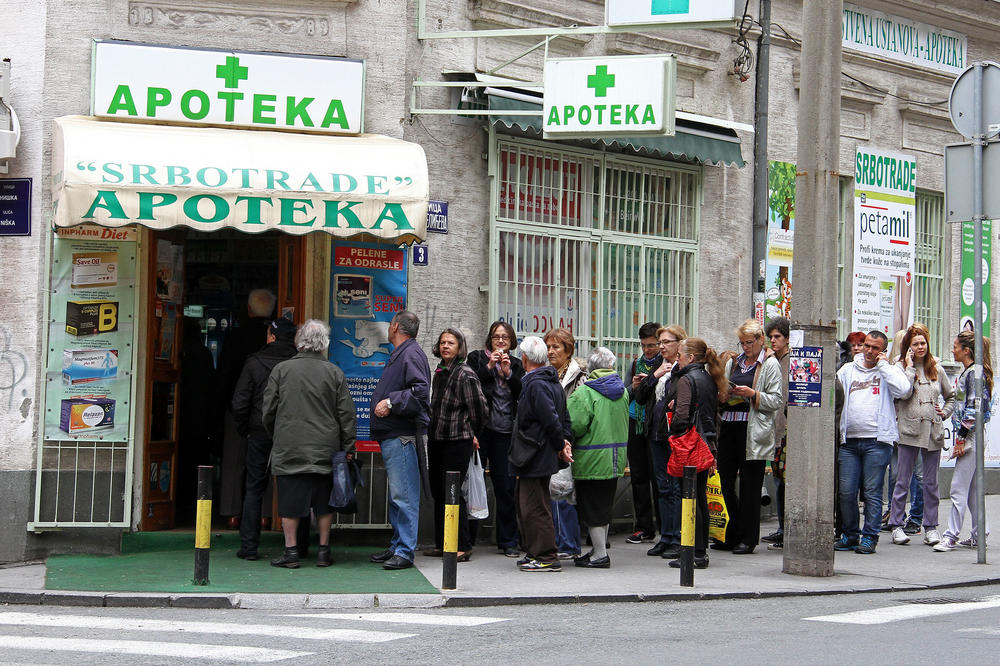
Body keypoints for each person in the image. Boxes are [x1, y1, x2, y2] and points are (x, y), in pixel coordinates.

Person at [262, 320, 357, 568]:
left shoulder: (281, 370)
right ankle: (324, 551)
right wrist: (348, 447)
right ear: (324, 343)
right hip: (325, 448)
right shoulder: (334, 373)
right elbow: (346, 415)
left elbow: (268, 411)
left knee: (289, 503)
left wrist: (278, 434)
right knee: (324, 504)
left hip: (290, 446)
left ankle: (291, 552)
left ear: (299, 341)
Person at [835, 330, 912, 554]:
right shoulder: (848, 370)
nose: (869, 351)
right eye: (867, 346)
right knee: (846, 492)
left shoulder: (889, 371)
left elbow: (904, 390)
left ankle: (870, 536)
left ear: (883, 351)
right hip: (849, 442)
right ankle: (850, 535)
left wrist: (884, 366)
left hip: (877, 442)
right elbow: (835, 393)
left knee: (872, 492)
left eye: (875, 348)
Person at [368, 311, 431, 571]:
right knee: (398, 495)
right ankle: (397, 546)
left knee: (403, 495)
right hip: (394, 434)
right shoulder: (405, 352)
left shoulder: (410, 353)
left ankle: (405, 550)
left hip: (401, 436)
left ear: (394, 327)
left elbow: (420, 392)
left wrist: (391, 402)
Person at [232, 317, 299, 560]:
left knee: (254, 488)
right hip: (290, 432)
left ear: (271, 336)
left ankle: (249, 547)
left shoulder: (254, 362)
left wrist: (245, 429)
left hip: (259, 431)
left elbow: (240, 402)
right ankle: (299, 546)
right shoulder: (298, 363)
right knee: (294, 486)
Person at [715, 319, 783, 554]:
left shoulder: (770, 364)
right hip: (729, 426)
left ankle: (748, 537)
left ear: (760, 340)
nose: (745, 347)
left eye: (749, 342)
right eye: (742, 343)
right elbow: (721, 390)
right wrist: (724, 394)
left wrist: (753, 394)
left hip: (753, 430)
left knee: (750, 486)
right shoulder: (734, 362)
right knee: (723, 481)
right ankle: (730, 532)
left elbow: (776, 400)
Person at [887, 323, 954, 548]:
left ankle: (931, 527)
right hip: (909, 430)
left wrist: (945, 412)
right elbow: (903, 393)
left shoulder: (937, 368)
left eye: (923, 343)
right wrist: (908, 368)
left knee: (931, 482)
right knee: (902, 480)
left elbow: (951, 396)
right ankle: (896, 525)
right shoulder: (900, 367)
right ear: (908, 347)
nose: (920, 347)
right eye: (915, 344)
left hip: (933, 432)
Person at [511, 336, 574, 572]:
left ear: (524, 358)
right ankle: (535, 552)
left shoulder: (536, 384)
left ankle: (546, 555)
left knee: (535, 506)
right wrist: (563, 442)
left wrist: (560, 444)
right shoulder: (549, 381)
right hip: (538, 452)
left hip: (534, 453)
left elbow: (551, 419)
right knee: (529, 504)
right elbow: (563, 417)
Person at [427, 328, 489, 561]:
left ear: (459, 347)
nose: (445, 346)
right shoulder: (439, 372)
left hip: (457, 441)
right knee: (437, 491)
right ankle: (442, 543)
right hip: (437, 439)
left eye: (450, 343)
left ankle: (462, 544)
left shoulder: (466, 374)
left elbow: (480, 410)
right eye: (443, 342)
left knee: (452, 492)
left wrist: (473, 433)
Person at [665, 337, 726, 569]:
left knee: (690, 498)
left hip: (690, 443)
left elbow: (682, 415)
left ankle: (693, 552)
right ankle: (700, 551)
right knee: (699, 496)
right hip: (706, 441)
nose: (677, 359)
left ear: (690, 357)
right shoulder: (708, 377)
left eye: (679, 355)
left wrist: (673, 429)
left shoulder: (687, 379)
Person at [219, 288, 277, 528]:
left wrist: (226, 405)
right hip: (270, 412)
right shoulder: (276, 339)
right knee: (269, 462)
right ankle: (266, 514)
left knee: (234, 461)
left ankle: (232, 513)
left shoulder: (235, 336)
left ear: (249, 309)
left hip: (237, 407)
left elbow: (224, 374)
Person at [466, 321, 524, 557]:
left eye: (505, 337)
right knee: (473, 484)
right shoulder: (476, 358)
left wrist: (508, 374)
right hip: (481, 432)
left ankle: (508, 541)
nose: (500, 341)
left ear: (511, 342)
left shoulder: (517, 364)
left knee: (506, 487)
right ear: (490, 340)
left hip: (505, 433)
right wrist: (490, 366)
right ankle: (467, 541)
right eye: (496, 337)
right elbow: (470, 386)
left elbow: (522, 392)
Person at [567, 348, 629, 568]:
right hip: (616, 458)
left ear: (591, 368)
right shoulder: (623, 391)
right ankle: (597, 550)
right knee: (604, 507)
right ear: (611, 365)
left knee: (592, 508)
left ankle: (600, 555)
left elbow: (574, 425)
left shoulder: (584, 393)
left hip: (590, 459)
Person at [935, 331, 993, 552]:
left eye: (955, 347)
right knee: (972, 490)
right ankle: (979, 533)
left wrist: (960, 439)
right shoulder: (971, 372)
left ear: (966, 350)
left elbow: (973, 409)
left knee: (958, 488)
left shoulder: (974, 373)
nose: (952, 350)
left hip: (971, 435)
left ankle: (951, 535)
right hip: (972, 434)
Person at [632, 324, 687, 558]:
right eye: (660, 342)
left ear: (679, 344)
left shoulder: (683, 368)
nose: (661, 346)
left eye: (666, 342)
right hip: (654, 432)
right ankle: (665, 537)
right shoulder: (657, 366)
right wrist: (654, 376)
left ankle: (677, 538)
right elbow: (640, 397)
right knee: (663, 487)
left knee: (674, 488)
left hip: (674, 435)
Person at [544, 328, 587, 559]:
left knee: (564, 493)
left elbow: (579, 412)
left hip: (570, 441)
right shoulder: (548, 373)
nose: (550, 351)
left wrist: (566, 438)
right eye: (548, 347)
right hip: (551, 440)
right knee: (555, 493)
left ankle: (569, 544)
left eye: (556, 347)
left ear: (568, 350)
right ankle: (558, 542)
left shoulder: (579, 377)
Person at [623, 321, 662, 544]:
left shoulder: (665, 364)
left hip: (654, 424)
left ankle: (664, 527)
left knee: (658, 477)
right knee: (638, 476)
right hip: (635, 422)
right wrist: (634, 387)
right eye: (644, 345)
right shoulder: (635, 364)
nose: (647, 350)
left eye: (652, 345)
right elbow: (625, 393)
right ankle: (643, 527)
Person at [762, 317, 790, 550]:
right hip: (774, 429)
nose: (773, 340)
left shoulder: (791, 362)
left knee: (785, 482)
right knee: (778, 481)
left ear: (787, 338)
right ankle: (782, 528)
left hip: (787, 430)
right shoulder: (772, 361)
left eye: (777, 336)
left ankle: (786, 529)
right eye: (770, 337)